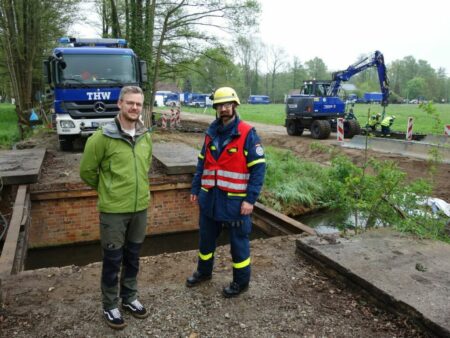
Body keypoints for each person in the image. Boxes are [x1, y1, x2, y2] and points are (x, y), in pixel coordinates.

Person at [79, 86, 152, 329]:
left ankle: (129, 297)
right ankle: (110, 305)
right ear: (119, 104)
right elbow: (87, 171)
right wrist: (107, 190)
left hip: (140, 208)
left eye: (138, 104)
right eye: (129, 103)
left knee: (133, 257)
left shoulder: (145, 136)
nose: (134, 108)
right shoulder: (101, 138)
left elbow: (146, 166)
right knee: (112, 260)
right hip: (113, 212)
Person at [186, 87, 266, 298]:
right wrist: (195, 188)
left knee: (238, 245)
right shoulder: (210, 133)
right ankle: (204, 273)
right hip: (210, 199)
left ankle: (241, 283)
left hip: (235, 202)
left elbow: (259, 169)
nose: (224, 108)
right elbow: (202, 163)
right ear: (216, 108)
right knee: (205, 241)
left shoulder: (248, 133)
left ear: (235, 105)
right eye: (220, 105)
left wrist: (251, 199)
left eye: (228, 104)